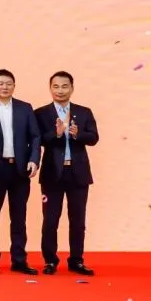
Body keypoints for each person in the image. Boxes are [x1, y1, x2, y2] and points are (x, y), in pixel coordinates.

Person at [0, 69, 41, 275]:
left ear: (14, 86)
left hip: (20, 170)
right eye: (1, 83)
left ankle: (19, 260)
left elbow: (36, 136)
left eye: (9, 83)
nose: (5, 87)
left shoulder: (25, 108)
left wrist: (34, 160)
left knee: (19, 217)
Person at [35, 71, 99, 276]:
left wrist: (78, 134)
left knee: (78, 221)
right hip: (52, 174)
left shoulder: (84, 112)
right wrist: (56, 134)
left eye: (64, 86)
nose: (60, 90)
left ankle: (76, 261)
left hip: (78, 173)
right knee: (50, 220)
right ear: (50, 88)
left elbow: (94, 138)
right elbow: (37, 139)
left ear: (72, 88)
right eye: (56, 86)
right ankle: (50, 261)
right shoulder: (41, 113)